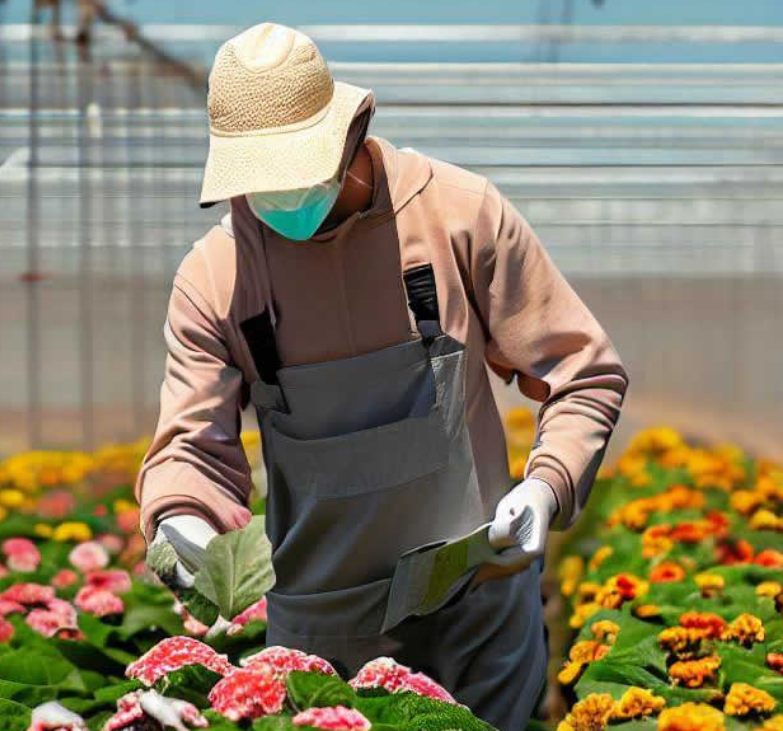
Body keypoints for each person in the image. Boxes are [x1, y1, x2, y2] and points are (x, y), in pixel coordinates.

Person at [135, 22, 628, 729]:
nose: (273, 198)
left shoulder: (459, 216)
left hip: (475, 607)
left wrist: (547, 486)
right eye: (257, 180)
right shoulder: (218, 278)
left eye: (291, 171)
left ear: (349, 131)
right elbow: (190, 447)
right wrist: (183, 521)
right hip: (320, 639)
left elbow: (583, 371)